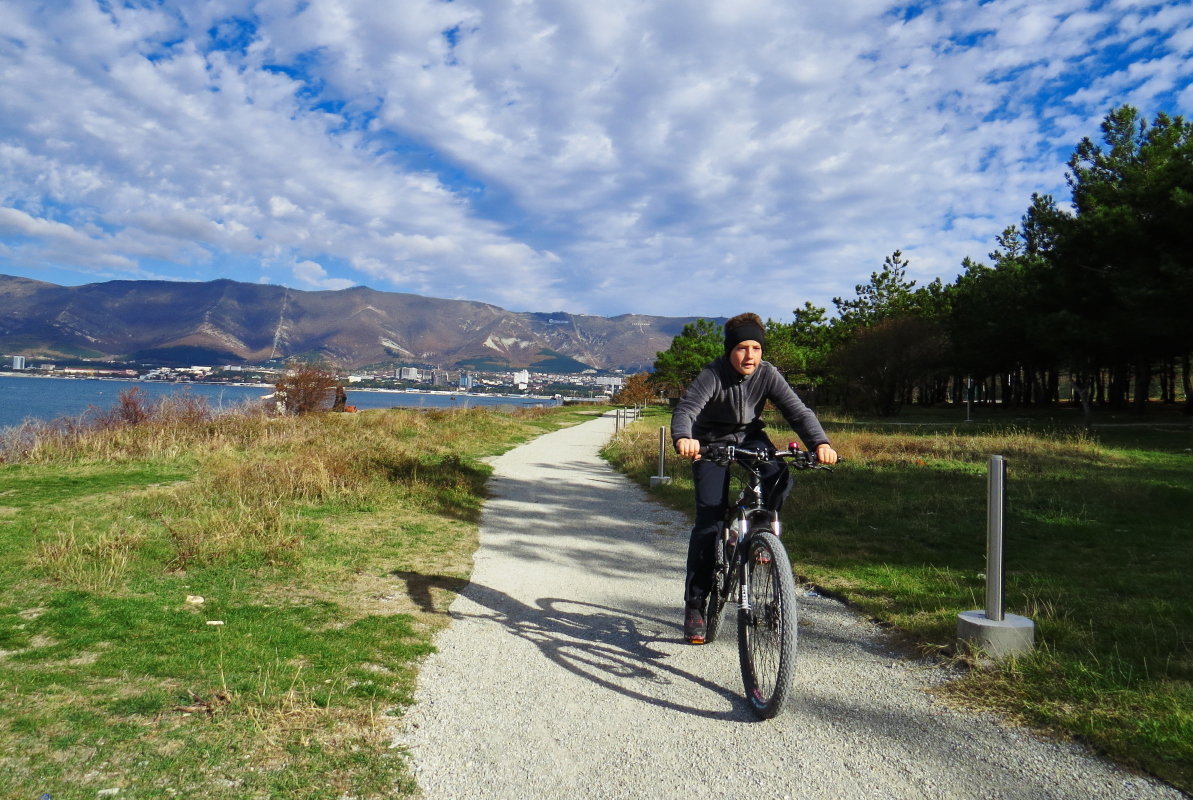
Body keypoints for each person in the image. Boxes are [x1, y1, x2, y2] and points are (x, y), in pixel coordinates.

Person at [671, 312, 838, 644]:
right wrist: (684, 437)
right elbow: (687, 408)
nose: (749, 356)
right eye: (742, 348)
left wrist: (820, 443)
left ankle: (758, 530)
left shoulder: (767, 374)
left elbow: (798, 411)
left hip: (749, 437)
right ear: (729, 350)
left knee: (778, 472)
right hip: (709, 442)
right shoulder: (712, 374)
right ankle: (696, 606)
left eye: (756, 348)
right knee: (709, 520)